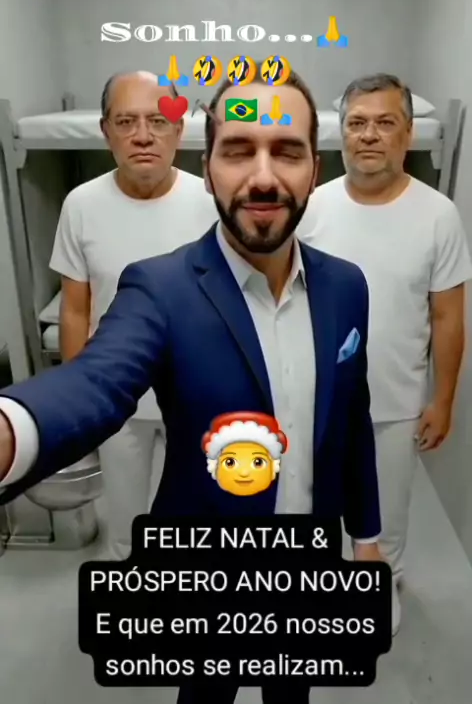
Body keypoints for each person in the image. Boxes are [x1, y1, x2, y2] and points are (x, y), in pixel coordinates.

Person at [0, 68, 383, 704]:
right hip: (206, 559)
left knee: (291, 690)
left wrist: (365, 537)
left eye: (287, 152)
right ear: (208, 171)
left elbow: (351, 418)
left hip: (309, 554)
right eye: (238, 151)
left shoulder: (347, 286)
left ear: (315, 170)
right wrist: (13, 430)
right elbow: (96, 380)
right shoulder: (160, 287)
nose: (263, 177)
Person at [297, 72, 472, 635]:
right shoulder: (311, 207)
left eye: (384, 123)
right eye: (357, 123)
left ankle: (382, 581)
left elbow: (447, 315)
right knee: (313, 502)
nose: (369, 135)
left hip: (395, 400)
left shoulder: (437, 215)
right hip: (314, 397)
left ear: (408, 133)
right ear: (342, 132)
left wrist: (442, 400)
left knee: (387, 514)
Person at [50, 70, 217, 559]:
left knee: (200, 519)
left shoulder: (213, 203)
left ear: (179, 130)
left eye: (157, 121)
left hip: (199, 394)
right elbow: (75, 308)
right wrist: (79, 400)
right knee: (126, 529)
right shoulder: (81, 205)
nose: (143, 135)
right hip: (117, 398)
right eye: (126, 122)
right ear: (106, 132)